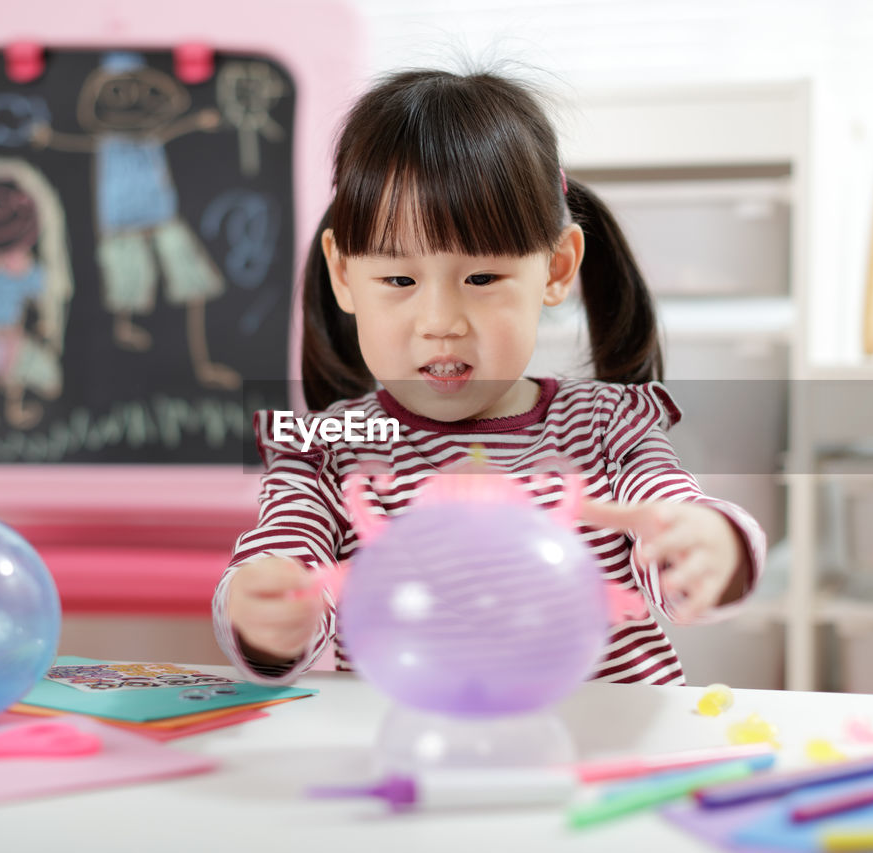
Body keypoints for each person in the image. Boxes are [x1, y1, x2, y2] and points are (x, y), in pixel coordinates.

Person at [212, 68, 766, 686]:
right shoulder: (321, 450)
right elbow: (282, 557)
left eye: (481, 280)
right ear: (344, 275)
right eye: (399, 281)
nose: (441, 322)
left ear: (556, 269)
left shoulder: (609, 429)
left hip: (599, 764)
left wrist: (710, 544)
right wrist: (266, 612)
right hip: (414, 763)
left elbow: (673, 520)